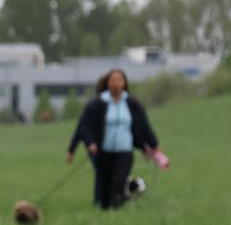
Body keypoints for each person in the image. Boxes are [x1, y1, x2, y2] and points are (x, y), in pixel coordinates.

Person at [69, 69, 162, 210]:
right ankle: (104, 206)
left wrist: (153, 145)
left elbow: (143, 125)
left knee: (118, 181)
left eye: (120, 80)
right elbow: (85, 126)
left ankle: (116, 208)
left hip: (124, 150)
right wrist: (89, 143)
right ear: (108, 83)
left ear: (124, 83)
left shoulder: (131, 103)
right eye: (113, 80)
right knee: (105, 184)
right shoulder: (98, 104)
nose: (116, 83)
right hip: (103, 151)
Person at [67, 73, 110, 205]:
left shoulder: (122, 104)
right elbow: (82, 128)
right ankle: (99, 202)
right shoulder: (93, 106)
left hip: (116, 146)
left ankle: (111, 201)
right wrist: (72, 150)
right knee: (101, 173)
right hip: (96, 147)